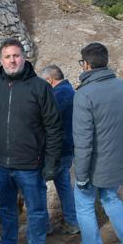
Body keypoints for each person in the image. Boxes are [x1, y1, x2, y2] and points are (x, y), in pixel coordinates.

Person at [0, 38, 63, 244]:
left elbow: (54, 128)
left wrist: (51, 162)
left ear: (24, 57)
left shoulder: (40, 87)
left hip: (31, 165)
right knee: (6, 208)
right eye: (7, 56)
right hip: (0, 164)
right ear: (1, 60)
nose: (12, 61)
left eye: (16, 55)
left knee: (37, 211)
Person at [73, 43, 123, 244]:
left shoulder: (84, 95)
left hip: (93, 166)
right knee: (111, 199)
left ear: (86, 65)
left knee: (84, 204)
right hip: (117, 163)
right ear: (105, 62)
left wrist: (82, 175)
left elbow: (83, 141)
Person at [40, 65, 80, 235]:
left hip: (56, 150)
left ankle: (44, 226)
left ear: (49, 79)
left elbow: (46, 119)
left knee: (38, 185)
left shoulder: (59, 94)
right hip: (67, 148)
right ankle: (72, 223)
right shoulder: (69, 91)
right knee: (63, 185)